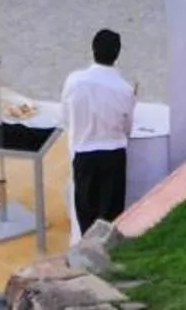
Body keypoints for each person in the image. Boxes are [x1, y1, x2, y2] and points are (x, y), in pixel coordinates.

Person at [60, 28, 137, 234]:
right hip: (113, 155)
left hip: (84, 153)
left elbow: (66, 117)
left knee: (86, 215)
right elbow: (127, 128)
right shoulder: (124, 89)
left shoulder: (74, 81)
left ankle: (86, 249)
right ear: (117, 55)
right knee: (110, 220)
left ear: (92, 49)